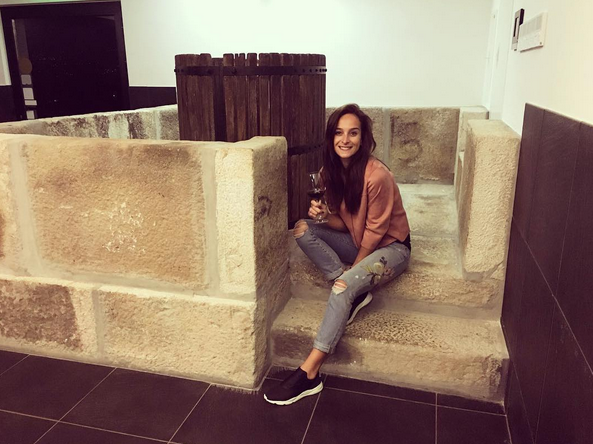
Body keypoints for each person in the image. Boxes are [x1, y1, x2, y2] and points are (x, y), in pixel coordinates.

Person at [264, 103, 411, 406]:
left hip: (391, 247)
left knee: (343, 287)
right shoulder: (328, 173)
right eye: (339, 133)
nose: (345, 140)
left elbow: (374, 233)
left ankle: (310, 372)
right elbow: (345, 224)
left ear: (363, 138)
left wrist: (352, 277)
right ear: (331, 137)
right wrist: (322, 217)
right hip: (357, 239)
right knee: (302, 228)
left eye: (353, 133)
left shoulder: (378, 176)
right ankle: (351, 288)